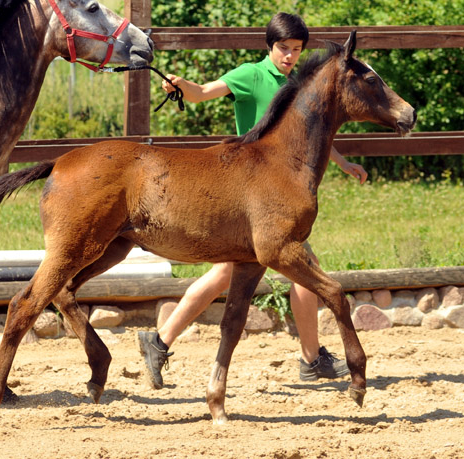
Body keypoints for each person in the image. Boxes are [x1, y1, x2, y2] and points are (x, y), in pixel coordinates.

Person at [138, 12, 368, 390]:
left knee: (226, 275)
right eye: (284, 48)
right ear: (269, 46)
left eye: (297, 49)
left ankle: (159, 340)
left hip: (275, 195)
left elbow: (311, 136)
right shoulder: (252, 74)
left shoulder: (299, 82)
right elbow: (206, 93)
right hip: (251, 193)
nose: (290, 56)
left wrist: (342, 164)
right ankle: (311, 359)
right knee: (302, 272)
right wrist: (183, 86)